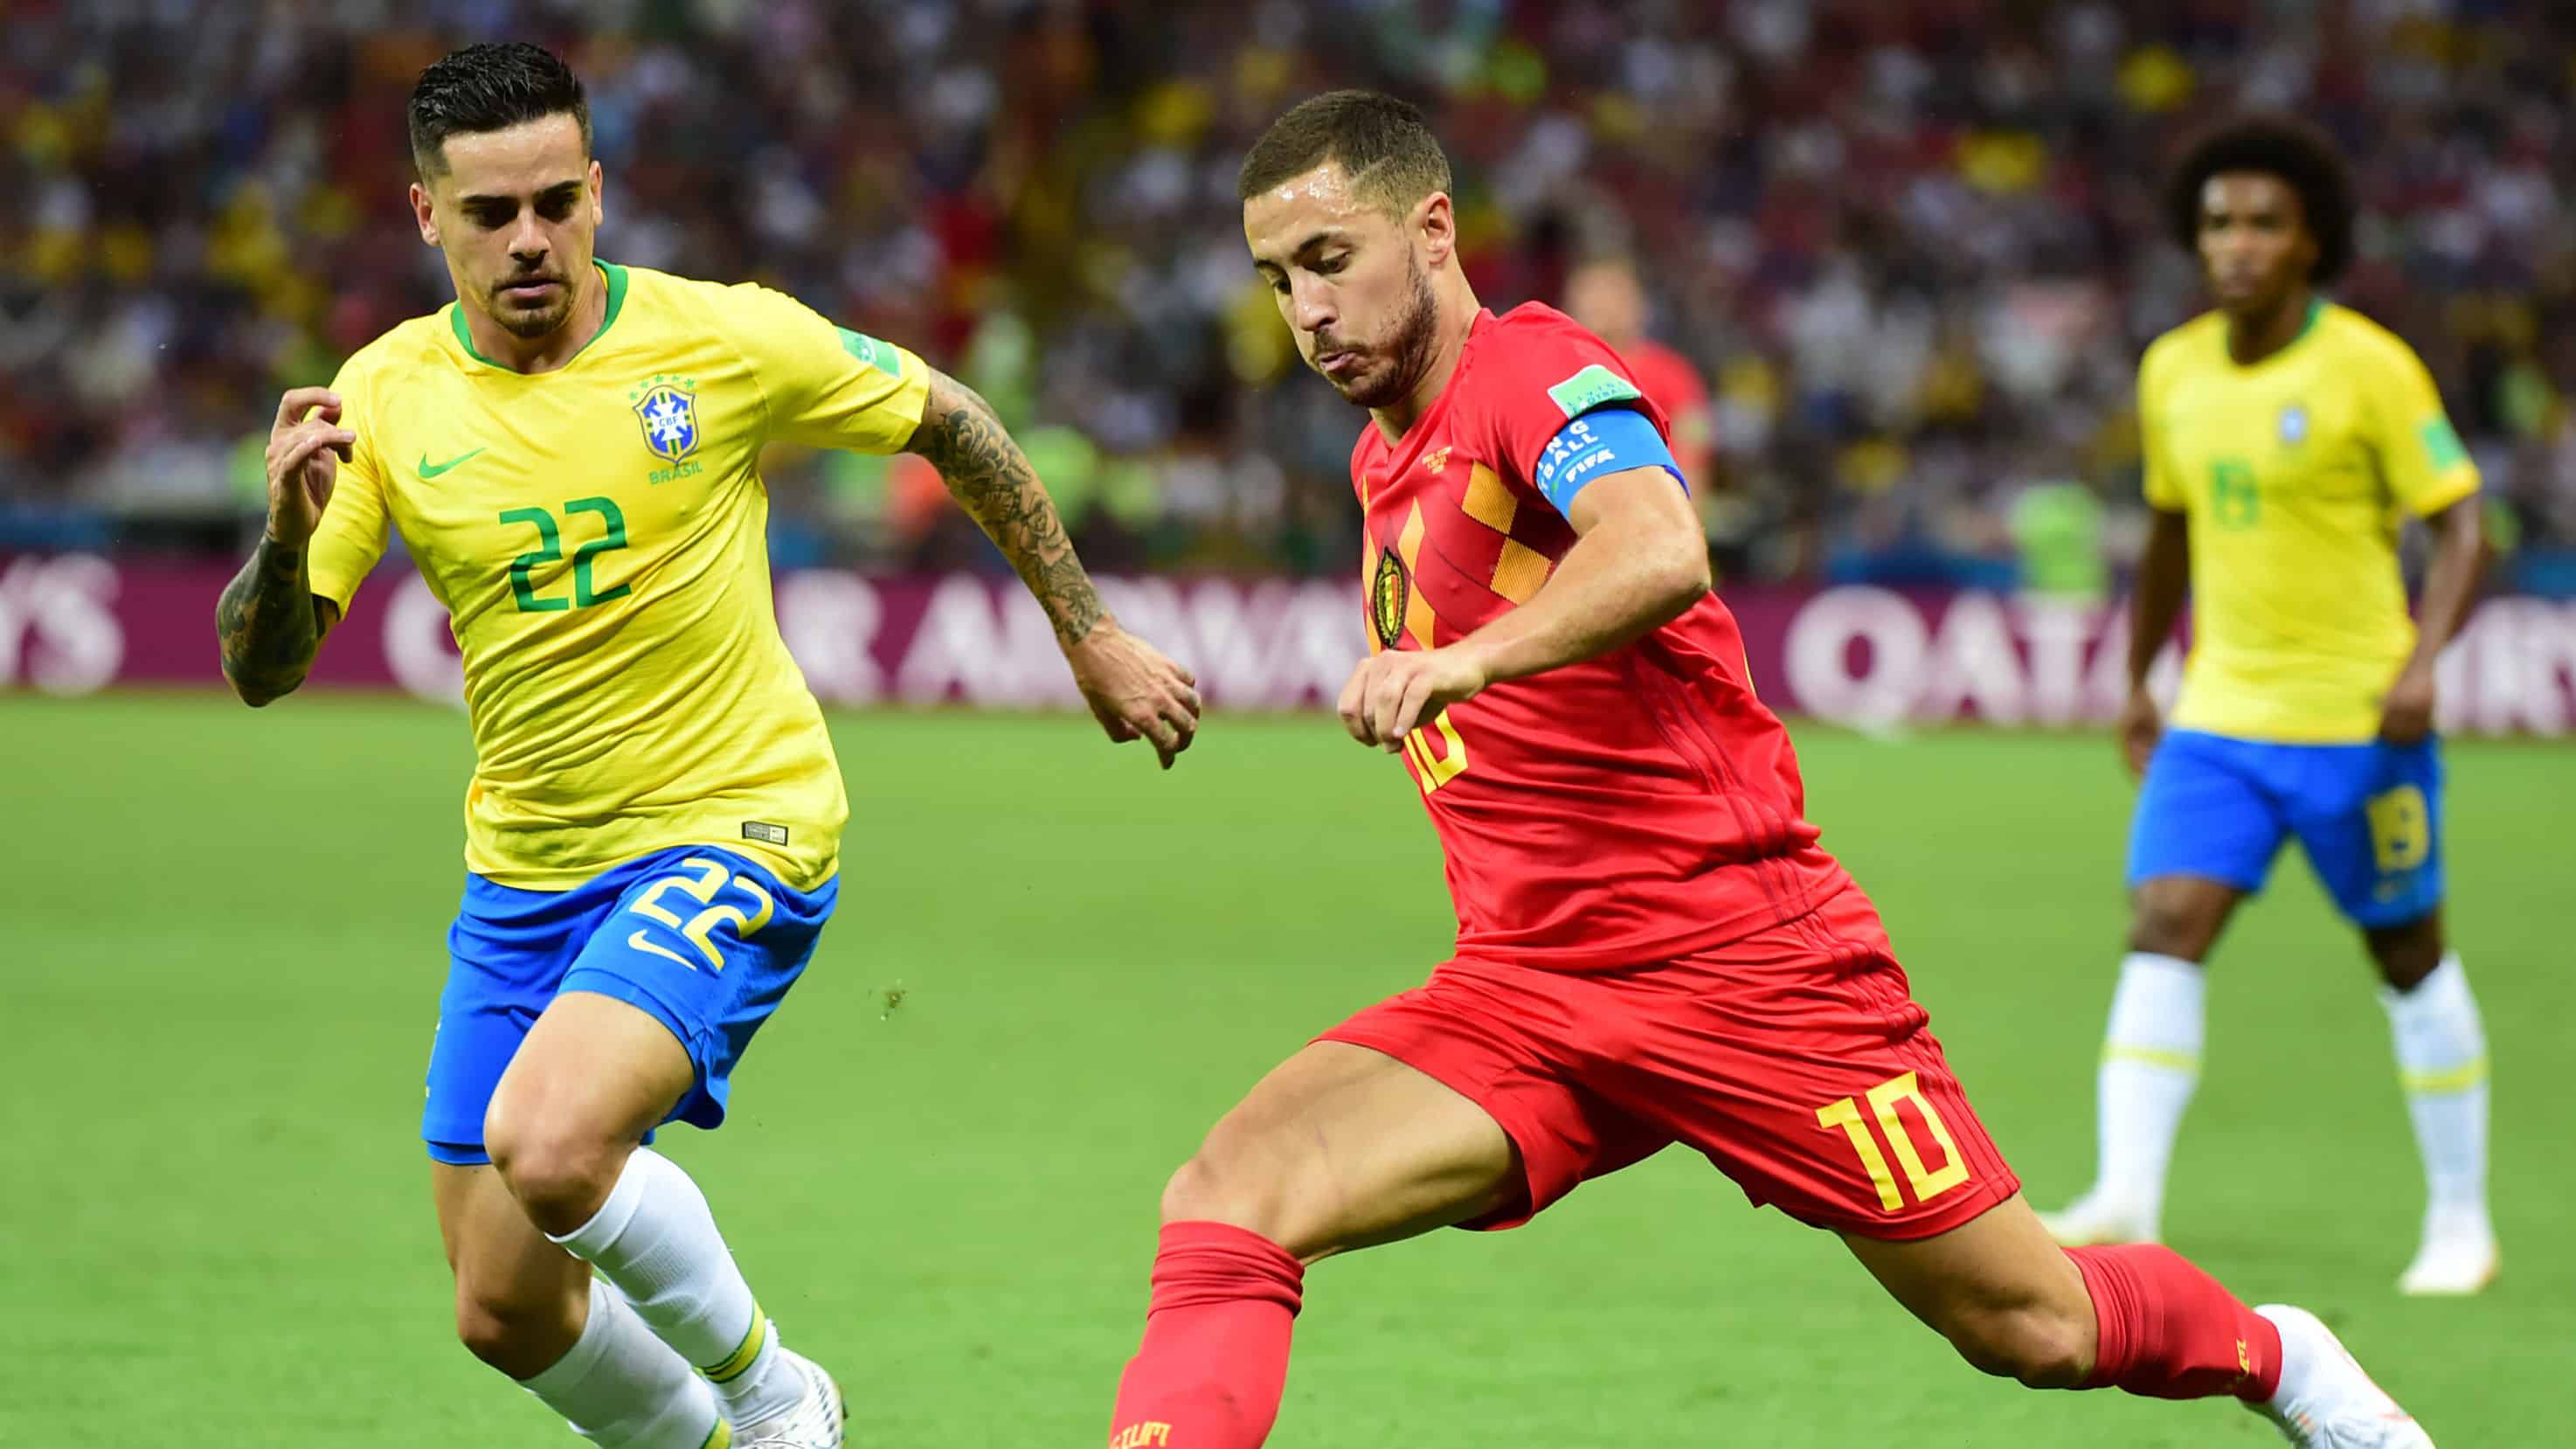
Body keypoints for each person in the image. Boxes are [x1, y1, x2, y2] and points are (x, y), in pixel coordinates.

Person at [1101, 90, 2436, 1449]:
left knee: (2033, 1323)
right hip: (1530, 984)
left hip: (1742, 962)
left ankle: (2292, 1364)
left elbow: (1659, 543)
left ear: (1432, 230)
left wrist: (1467, 662)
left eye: (1330, 260)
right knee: (1231, 1192)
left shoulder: (1530, 371)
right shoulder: (1381, 457)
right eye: (1277, 280)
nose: (1307, 311)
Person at [215, 42, 1199, 1449]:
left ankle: (780, 1403)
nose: (530, 239)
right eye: (490, 213)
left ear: (599, 191)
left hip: (736, 824)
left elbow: (951, 418)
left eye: (556, 201)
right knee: (504, 1309)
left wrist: (1086, 631)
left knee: (554, 1143)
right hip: (526, 875)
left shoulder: (720, 340)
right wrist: (284, 535)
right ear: (428, 216)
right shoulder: (380, 399)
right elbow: (265, 667)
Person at [2039, 114, 2495, 1300]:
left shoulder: (2371, 367)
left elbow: (2463, 525)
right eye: (2217, 224)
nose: (2235, 244)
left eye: (2263, 224)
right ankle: (2126, 1193)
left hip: (2357, 721)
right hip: (2219, 717)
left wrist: (2422, 663)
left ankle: (2461, 1220)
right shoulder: (2174, 369)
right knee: (2164, 921)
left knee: (2408, 953)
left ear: (2310, 242)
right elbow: (2170, 533)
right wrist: (2138, 677)